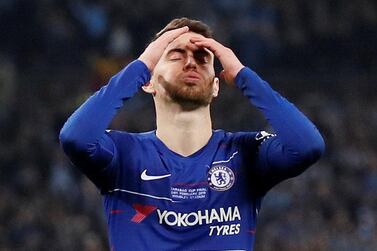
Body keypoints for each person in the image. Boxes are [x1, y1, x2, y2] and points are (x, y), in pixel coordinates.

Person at [60, 17, 325, 251]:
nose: (190, 62)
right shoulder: (123, 154)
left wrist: (244, 76)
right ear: (148, 81)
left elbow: (306, 146)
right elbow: (76, 137)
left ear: (216, 86)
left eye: (202, 58)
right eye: (176, 55)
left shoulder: (244, 153)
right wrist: (141, 65)